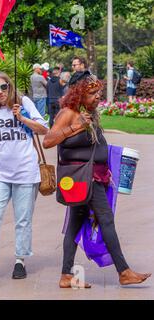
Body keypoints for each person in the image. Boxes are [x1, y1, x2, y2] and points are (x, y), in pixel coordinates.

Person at [42, 71, 151, 288]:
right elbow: (48, 140)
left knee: (74, 224)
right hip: (84, 177)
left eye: (98, 92)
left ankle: (66, 275)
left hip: (93, 177)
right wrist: (77, 126)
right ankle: (124, 271)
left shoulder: (89, 113)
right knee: (106, 220)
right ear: (79, 94)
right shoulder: (69, 113)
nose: (98, 97)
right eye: (92, 93)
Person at [0, 71, 48, 283]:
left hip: (25, 172)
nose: (0, 92)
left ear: (10, 86)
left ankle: (20, 261)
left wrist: (22, 117)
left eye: (3, 87)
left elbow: (44, 129)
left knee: (23, 220)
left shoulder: (24, 102)